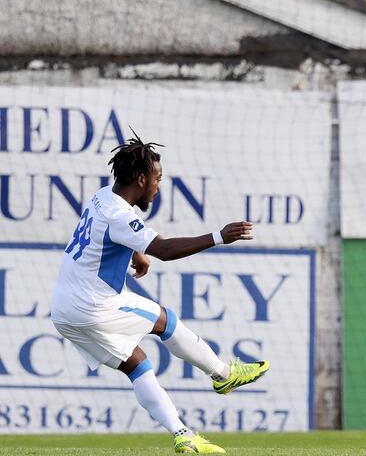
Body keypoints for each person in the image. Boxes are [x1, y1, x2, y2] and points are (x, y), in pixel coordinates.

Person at [50, 134, 269, 454]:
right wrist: (218, 237)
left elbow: (107, 238)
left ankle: (183, 435)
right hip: (93, 306)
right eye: (157, 178)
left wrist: (136, 254)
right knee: (165, 321)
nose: (158, 185)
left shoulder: (102, 198)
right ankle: (223, 374)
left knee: (136, 364)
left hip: (63, 310)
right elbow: (164, 250)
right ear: (141, 179)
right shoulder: (120, 216)